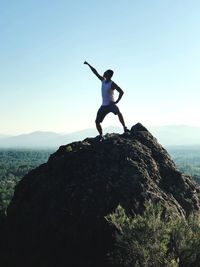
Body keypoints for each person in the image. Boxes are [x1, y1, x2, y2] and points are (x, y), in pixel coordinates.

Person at [84, 61, 128, 139]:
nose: (104, 72)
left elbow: (121, 92)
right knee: (97, 121)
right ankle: (101, 135)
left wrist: (117, 101)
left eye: (105, 72)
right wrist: (88, 65)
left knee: (118, 113)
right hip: (103, 106)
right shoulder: (103, 80)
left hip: (111, 104)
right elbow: (95, 72)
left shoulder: (112, 83)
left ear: (109, 75)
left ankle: (125, 127)